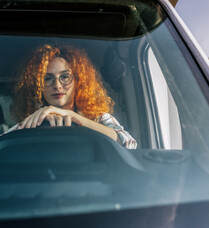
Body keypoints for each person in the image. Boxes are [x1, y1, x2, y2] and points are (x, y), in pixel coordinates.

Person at [9, 44, 137, 149]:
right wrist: (30, 125)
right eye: (47, 79)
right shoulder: (32, 122)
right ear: (38, 86)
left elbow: (128, 144)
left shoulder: (99, 119)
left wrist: (72, 116)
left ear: (79, 81)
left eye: (65, 77)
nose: (57, 86)